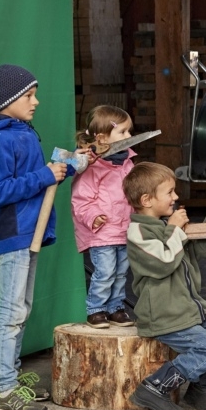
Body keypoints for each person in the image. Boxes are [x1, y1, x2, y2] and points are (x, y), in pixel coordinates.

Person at [0, 64, 72, 410]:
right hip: (13, 234)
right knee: (11, 313)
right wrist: (45, 175)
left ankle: (13, 378)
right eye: (29, 96)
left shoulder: (22, 131)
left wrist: (70, 165)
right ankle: (4, 392)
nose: (36, 101)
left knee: (21, 309)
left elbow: (36, 177)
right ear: (8, 100)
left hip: (30, 231)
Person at [124, 162, 206, 410]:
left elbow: (198, 252)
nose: (176, 197)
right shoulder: (139, 232)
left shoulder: (166, 225)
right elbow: (163, 262)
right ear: (146, 200)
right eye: (169, 192)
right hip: (165, 316)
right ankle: (154, 388)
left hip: (189, 311)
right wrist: (174, 229)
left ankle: (201, 389)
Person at [71, 105, 139, 329]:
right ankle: (96, 309)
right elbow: (81, 200)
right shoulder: (92, 166)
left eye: (129, 131)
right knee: (105, 272)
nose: (128, 136)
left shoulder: (128, 162)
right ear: (101, 137)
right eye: (122, 131)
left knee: (121, 273)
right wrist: (94, 217)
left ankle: (115, 308)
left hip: (125, 230)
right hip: (102, 232)